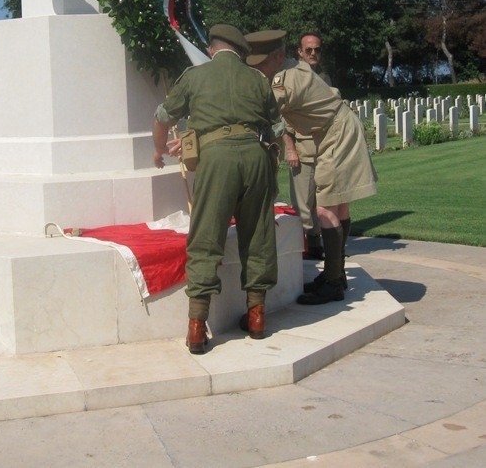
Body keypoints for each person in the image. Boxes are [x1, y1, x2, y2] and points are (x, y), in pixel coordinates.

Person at [152, 24, 283, 353]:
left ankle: (197, 326)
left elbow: (163, 118)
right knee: (258, 236)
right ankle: (257, 316)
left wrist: (158, 150)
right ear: (240, 51)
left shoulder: (195, 77)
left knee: (206, 237)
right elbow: (277, 128)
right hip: (256, 157)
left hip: (216, 161)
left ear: (212, 49)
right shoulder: (257, 79)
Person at [244, 30, 377, 305]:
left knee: (325, 209)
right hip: (336, 129)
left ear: (278, 56)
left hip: (335, 134)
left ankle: (333, 283)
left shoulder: (285, 80)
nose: (258, 68)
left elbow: (262, 112)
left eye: (262, 62)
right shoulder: (291, 68)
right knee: (339, 207)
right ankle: (336, 273)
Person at [287, 33, 332, 261]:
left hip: (325, 149)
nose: (313, 53)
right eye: (308, 50)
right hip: (302, 150)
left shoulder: (324, 78)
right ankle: (299, 247)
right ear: (300, 52)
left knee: (323, 202)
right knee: (302, 203)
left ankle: (315, 245)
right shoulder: (292, 77)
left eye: (317, 49)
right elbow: (283, 116)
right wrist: (290, 148)